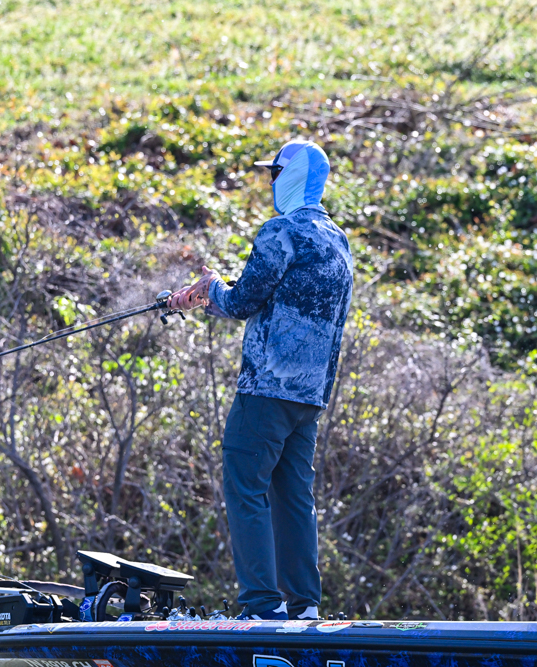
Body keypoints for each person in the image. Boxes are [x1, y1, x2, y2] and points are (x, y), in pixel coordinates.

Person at [168, 139, 353, 621]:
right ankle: (304, 605)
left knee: (246, 489)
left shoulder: (280, 232)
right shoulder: (338, 240)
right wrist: (210, 294)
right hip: (310, 397)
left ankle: (262, 605)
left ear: (291, 177)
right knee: (294, 497)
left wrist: (210, 288)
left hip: (265, 390)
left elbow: (241, 302)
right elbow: (276, 301)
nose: (270, 182)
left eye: (274, 173)